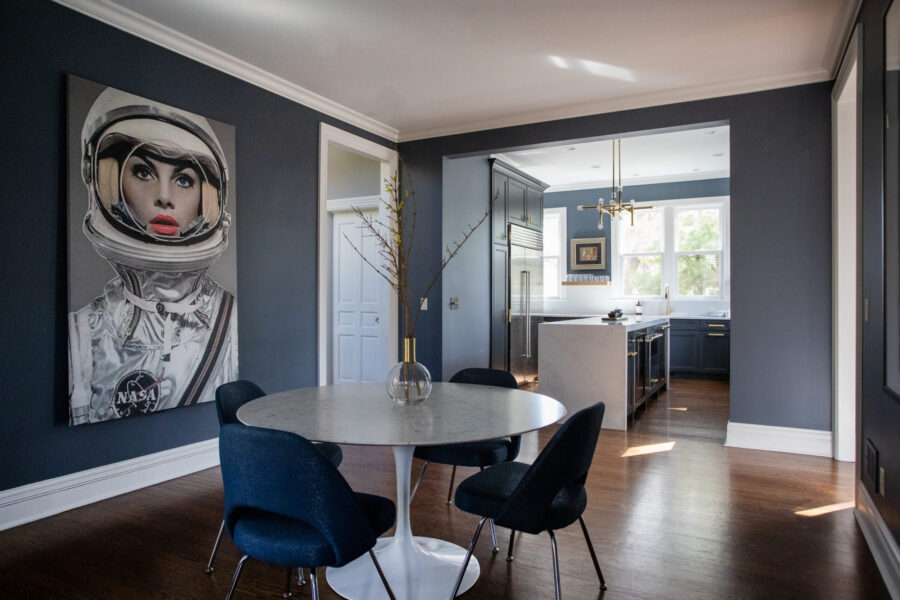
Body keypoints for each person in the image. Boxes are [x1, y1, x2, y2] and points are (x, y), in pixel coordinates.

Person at [68, 87, 238, 426]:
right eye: (143, 173)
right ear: (106, 181)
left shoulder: (233, 323)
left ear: (208, 198)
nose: (164, 197)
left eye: (184, 179)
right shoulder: (80, 336)